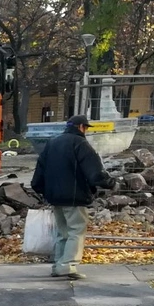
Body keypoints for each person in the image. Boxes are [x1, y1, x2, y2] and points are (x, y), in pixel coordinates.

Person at [31, 114, 112, 279]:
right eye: (86, 128)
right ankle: (67, 266)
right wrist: (110, 183)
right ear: (81, 127)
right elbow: (95, 173)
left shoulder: (52, 143)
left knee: (63, 232)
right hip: (75, 197)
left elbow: (39, 172)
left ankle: (58, 265)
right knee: (76, 230)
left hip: (54, 197)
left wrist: (42, 190)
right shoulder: (81, 144)